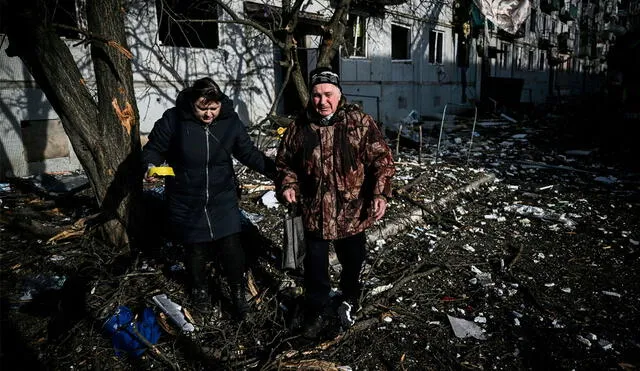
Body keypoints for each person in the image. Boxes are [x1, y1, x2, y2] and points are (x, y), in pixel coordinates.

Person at [275, 67, 395, 339]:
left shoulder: (359, 122)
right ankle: (316, 308)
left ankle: (349, 298)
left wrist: (379, 194)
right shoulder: (299, 126)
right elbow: (285, 164)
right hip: (314, 212)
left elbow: (383, 161)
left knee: (352, 261)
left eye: (328, 94)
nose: (322, 101)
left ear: (339, 94)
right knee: (314, 266)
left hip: (351, 211)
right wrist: (289, 184)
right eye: (316, 95)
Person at [142, 77, 276, 320]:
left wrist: (276, 171)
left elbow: (247, 153)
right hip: (186, 198)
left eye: (213, 108)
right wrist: (151, 165)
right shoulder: (174, 120)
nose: (208, 114)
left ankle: (237, 292)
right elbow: (154, 148)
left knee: (231, 246)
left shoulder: (229, 121)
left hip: (221, 196)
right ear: (192, 103)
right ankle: (200, 291)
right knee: (196, 249)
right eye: (202, 108)